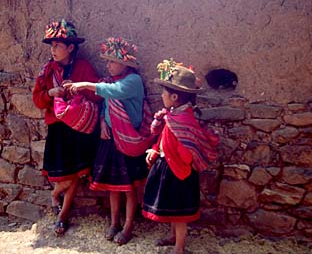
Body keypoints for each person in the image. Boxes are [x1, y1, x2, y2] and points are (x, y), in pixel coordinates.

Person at [65, 37, 153, 245]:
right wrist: (104, 123)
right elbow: (107, 104)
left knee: (129, 187)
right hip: (111, 139)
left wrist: (86, 85)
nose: (108, 65)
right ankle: (114, 223)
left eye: (112, 61)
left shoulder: (132, 82)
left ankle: (128, 226)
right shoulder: (111, 81)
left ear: (125, 63)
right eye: (107, 62)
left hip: (128, 140)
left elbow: (114, 93)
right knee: (114, 186)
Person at [142, 59, 219, 254]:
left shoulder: (184, 119)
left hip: (180, 172)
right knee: (171, 207)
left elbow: (187, 150)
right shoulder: (173, 115)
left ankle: (179, 247)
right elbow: (165, 136)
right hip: (169, 167)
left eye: (164, 93)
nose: (161, 95)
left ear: (175, 96)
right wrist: (156, 150)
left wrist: (180, 162)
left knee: (180, 215)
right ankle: (172, 237)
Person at [32, 19, 101, 236]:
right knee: (67, 175)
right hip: (59, 129)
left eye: (57, 46)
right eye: (51, 46)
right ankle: (56, 196)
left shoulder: (84, 68)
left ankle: (62, 215)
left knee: (75, 175)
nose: (53, 50)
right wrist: (49, 94)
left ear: (70, 48)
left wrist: (77, 90)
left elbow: (97, 95)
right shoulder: (48, 71)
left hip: (79, 128)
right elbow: (37, 100)